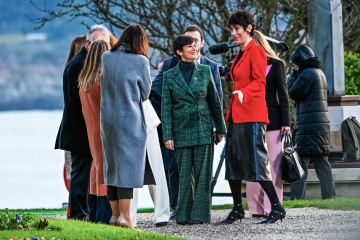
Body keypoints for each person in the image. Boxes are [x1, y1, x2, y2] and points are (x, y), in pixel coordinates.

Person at [218, 10, 286, 225]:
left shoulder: (256, 51)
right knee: (233, 163)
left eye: (237, 29)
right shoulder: (240, 52)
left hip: (253, 114)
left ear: (248, 28)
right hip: (237, 115)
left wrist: (243, 92)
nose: (234, 33)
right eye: (231, 29)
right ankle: (237, 208)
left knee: (257, 163)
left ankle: (276, 208)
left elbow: (259, 82)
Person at [151, 25, 223, 219]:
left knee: (202, 173)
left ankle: (200, 213)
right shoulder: (169, 68)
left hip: (203, 127)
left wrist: (218, 126)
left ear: (201, 43)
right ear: (179, 49)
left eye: (195, 42)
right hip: (180, 129)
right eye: (188, 42)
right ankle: (179, 209)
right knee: (177, 170)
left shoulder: (210, 67)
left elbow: (216, 99)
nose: (193, 46)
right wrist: (167, 132)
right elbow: (160, 99)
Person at [100, 24, 155, 229]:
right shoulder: (141, 61)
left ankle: (115, 216)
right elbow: (145, 94)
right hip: (130, 121)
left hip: (107, 122)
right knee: (128, 169)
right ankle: (126, 217)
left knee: (112, 167)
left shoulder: (106, 57)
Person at [55, 24, 111, 220]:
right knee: (81, 175)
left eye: (106, 43)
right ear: (88, 43)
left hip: (88, 129)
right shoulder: (78, 66)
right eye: (99, 43)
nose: (104, 48)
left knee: (89, 175)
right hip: (80, 131)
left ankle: (86, 213)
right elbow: (74, 102)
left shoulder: (90, 64)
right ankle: (78, 215)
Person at [246, 30, 290, 218]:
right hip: (251, 119)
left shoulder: (276, 64)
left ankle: (273, 206)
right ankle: (256, 209)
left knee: (273, 165)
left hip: (273, 120)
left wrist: (286, 122)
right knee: (254, 165)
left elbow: (284, 94)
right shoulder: (245, 64)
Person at [288, 45, 336, 200]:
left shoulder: (306, 74)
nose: (295, 66)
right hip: (321, 125)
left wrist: (294, 76)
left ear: (301, 61)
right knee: (322, 162)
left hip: (308, 126)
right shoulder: (319, 73)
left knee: (300, 162)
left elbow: (294, 92)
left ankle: (297, 199)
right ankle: (330, 197)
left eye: (296, 64)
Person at [78, 40, 112, 224]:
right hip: (103, 127)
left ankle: (94, 211)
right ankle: (103, 214)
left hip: (91, 126)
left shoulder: (84, 78)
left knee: (95, 167)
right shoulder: (101, 77)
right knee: (104, 169)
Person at [130, 100, 170, 227]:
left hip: (145, 117)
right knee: (130, 169)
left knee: (155, 167)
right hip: (127, 117)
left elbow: (145, 90)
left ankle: (162, 213)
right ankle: (129, 216)